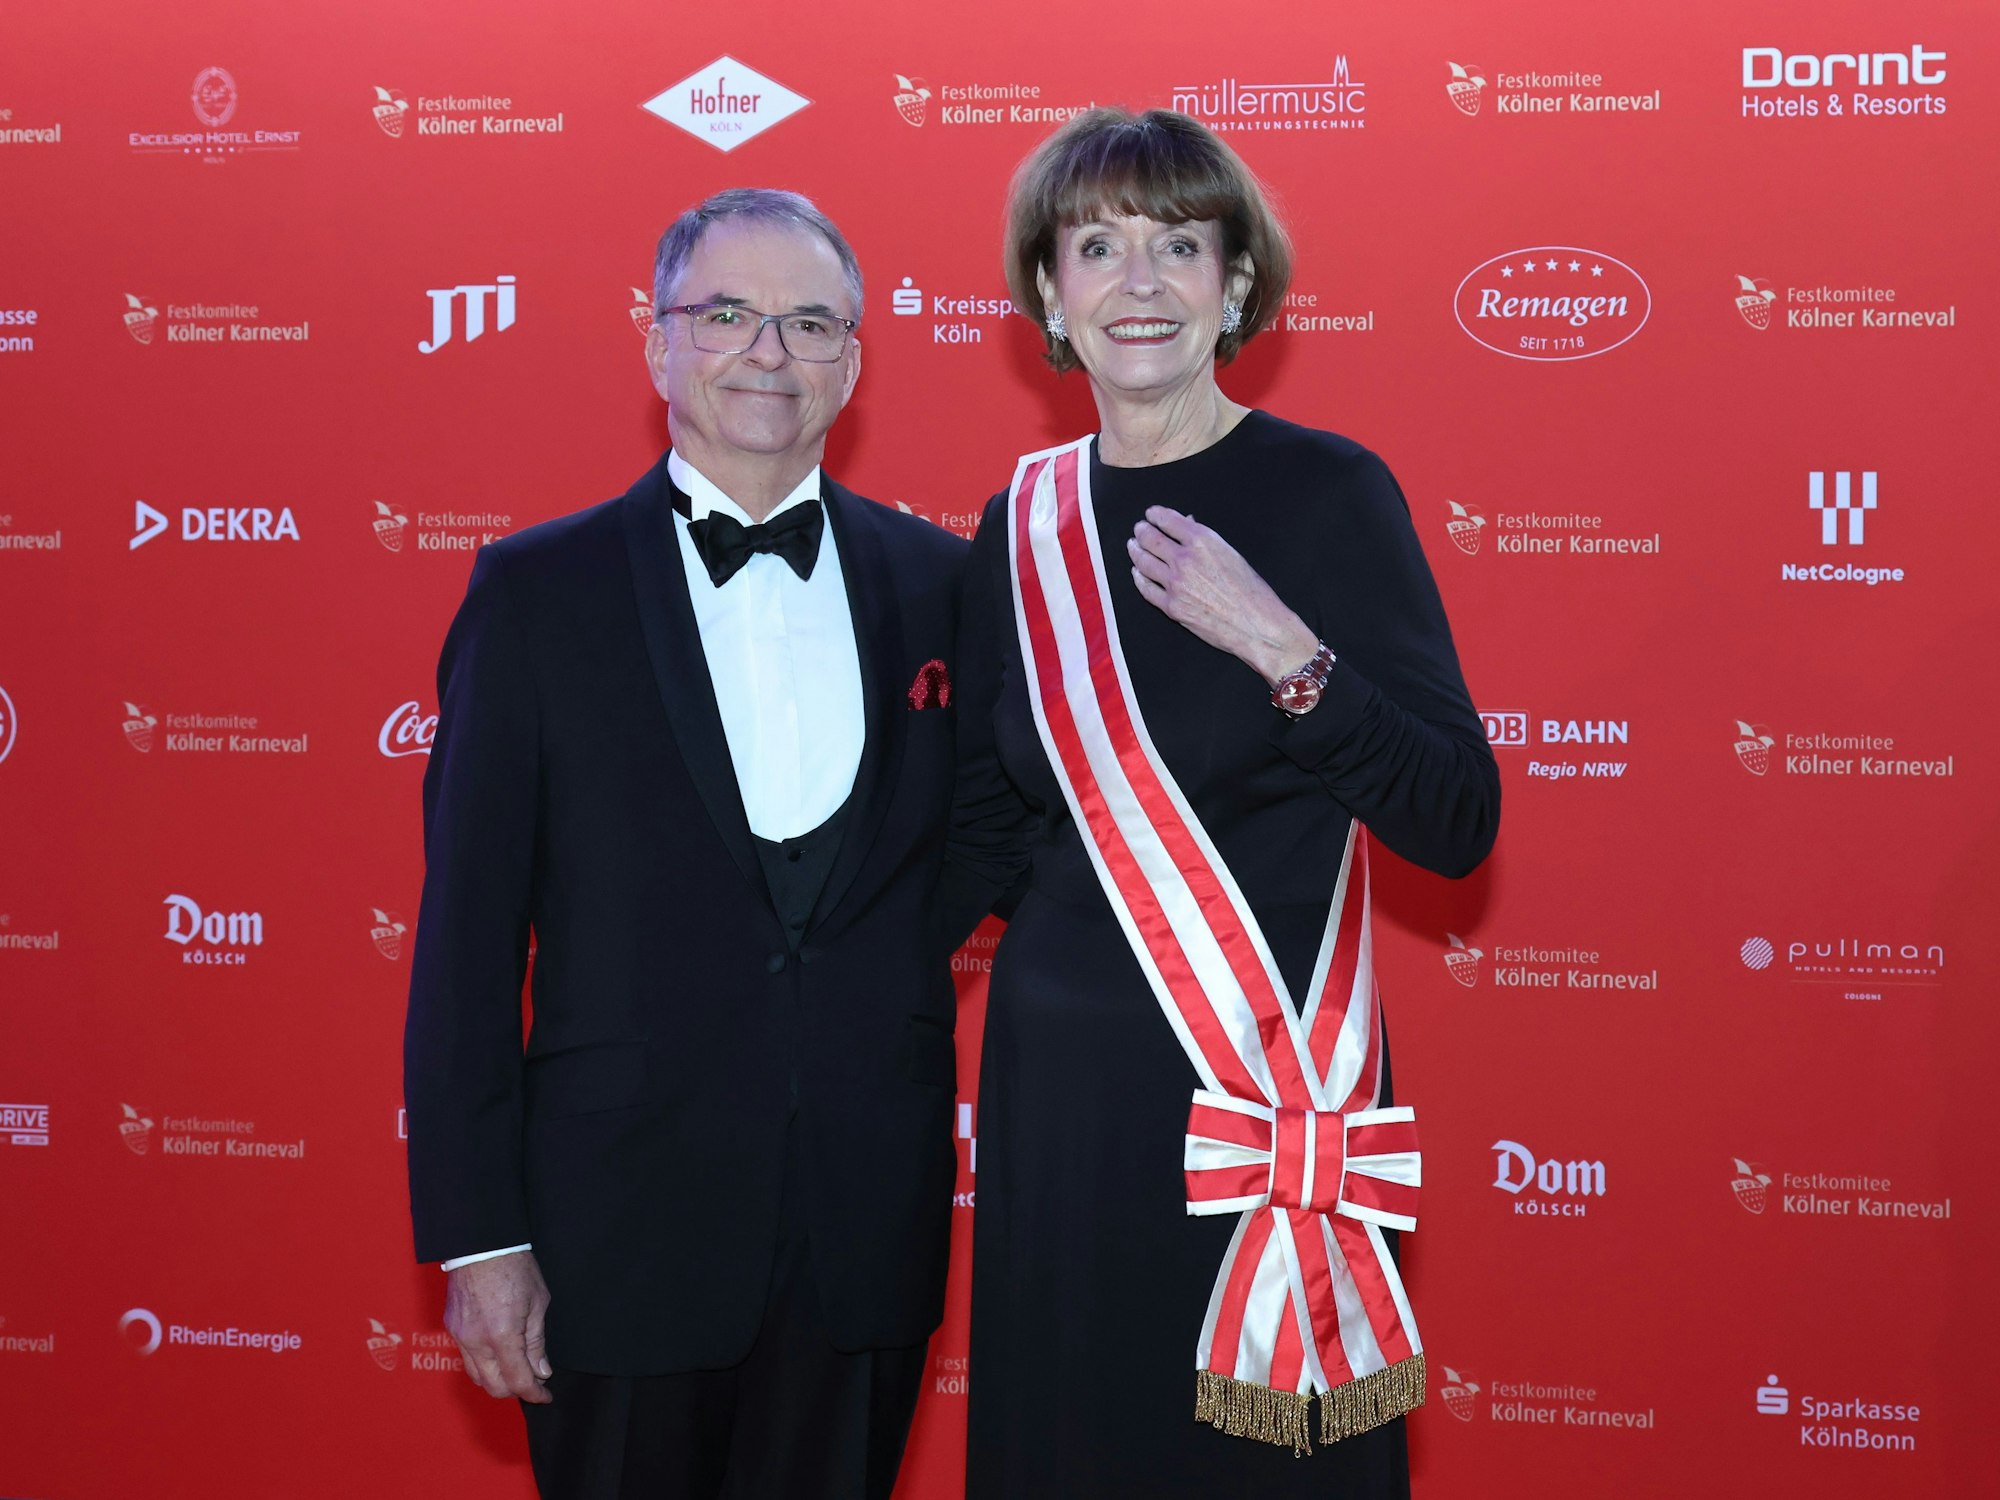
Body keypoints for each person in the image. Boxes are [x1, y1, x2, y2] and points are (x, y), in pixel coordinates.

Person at [940, 109, 1501, 1498]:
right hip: (1063, 1105)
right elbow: (987, 831)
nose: (1141, 282)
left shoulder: (1326, 493)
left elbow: (1455, 817)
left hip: (1262, 1088)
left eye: (1179, 244)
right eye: (1099, 247)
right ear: (1048, 296)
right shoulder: (1018, 528)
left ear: (1236, 286)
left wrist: (1286, 654)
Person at [404, 188, 969, 1500]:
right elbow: (469, 947)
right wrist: (480, 1236)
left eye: (811, 324)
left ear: (857, 365)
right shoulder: (538, 594)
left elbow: (989, 851)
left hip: (861, 1226)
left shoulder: (944, 589)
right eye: (727, 315)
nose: (770, 353)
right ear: (658, 346)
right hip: (617, 1233)